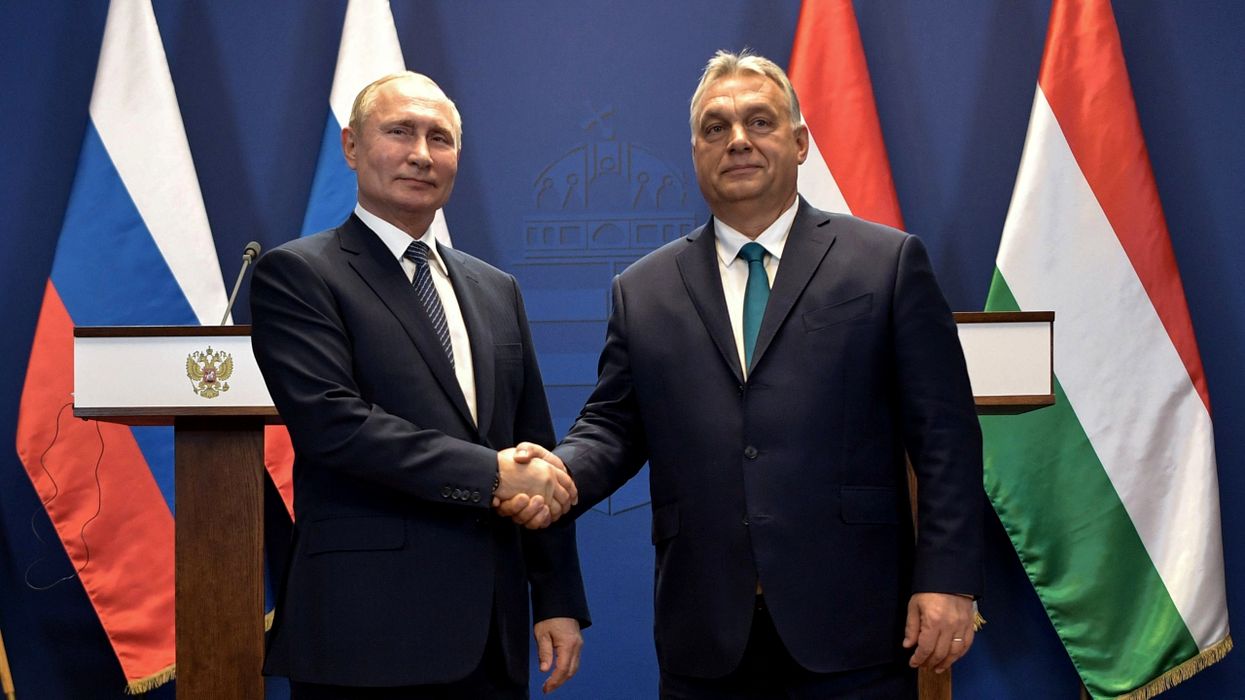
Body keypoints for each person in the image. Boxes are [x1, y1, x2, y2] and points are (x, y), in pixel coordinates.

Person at [511, 50, 985, 698]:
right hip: (706, 636)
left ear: (799, 142)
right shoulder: (643, 290)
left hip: (855, 627)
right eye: (715, 127)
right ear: (695, 152)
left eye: (759, 122)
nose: (737, 140)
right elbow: (613, 428)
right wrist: (556, 475)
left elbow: (944, 437)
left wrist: (948, 578)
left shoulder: (886, 263)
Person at [250, 71, 588, 699]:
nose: (421, 154)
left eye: (440, 138)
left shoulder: (496, 289)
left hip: (491, 635)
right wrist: (491, 474)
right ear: (352, 146)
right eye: (400, 132)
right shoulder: (298, 274)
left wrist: (557, 597)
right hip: (367, 630)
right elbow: (335, 426)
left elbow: (533, 447)